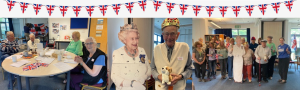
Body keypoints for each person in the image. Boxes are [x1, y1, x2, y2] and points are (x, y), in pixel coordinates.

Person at [151, 18, 192, 90]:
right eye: (166, 34)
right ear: (163, 35)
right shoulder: (157, 49)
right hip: (161, 87)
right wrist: (158, 76)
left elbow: (190, 68)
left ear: (177, 35)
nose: (169, 37)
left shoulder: (184, 48)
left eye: (172, 34)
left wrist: (181, 76)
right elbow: (152, 69)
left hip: (178, 87)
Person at [111, 23, 151, 90]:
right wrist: (132, 83)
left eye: (137, 38)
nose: (135, 41)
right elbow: (114, 76)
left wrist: (144, 77)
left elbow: (149, 70)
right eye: (132, 39)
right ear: (124, 40)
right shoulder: (117, 53)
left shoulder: (142, 51)